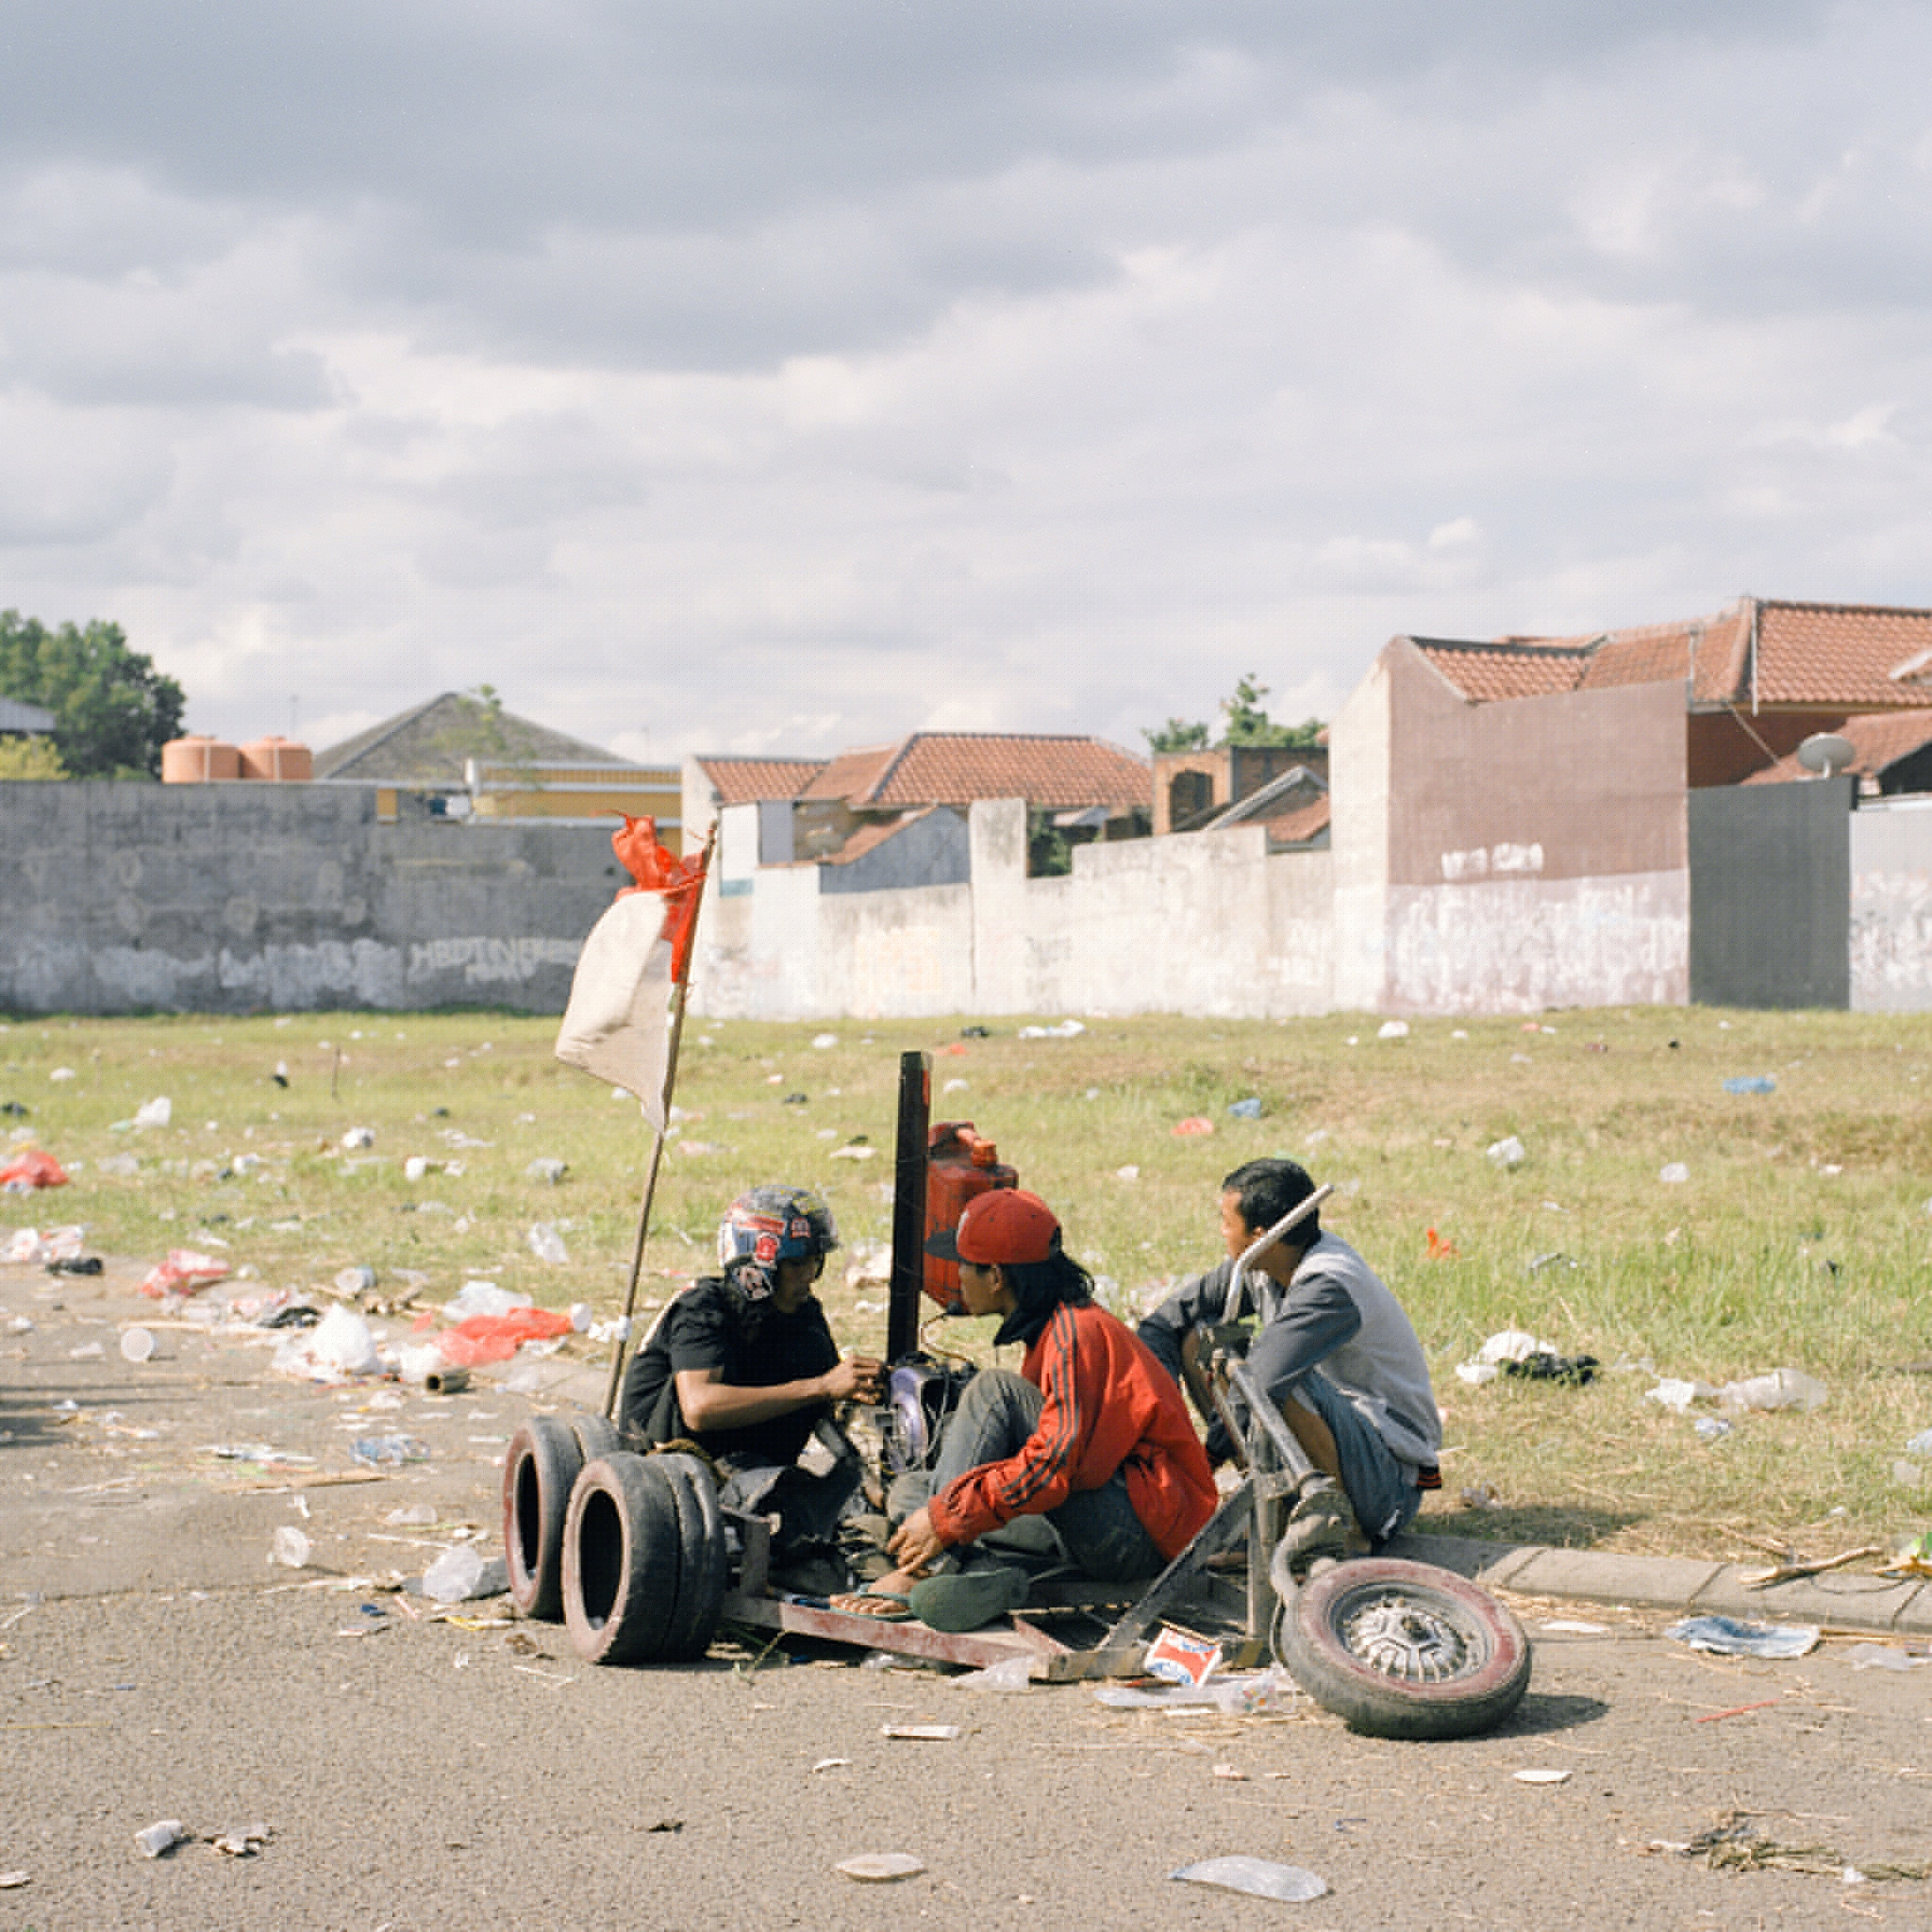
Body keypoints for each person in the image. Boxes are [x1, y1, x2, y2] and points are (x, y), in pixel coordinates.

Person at [871, 1189, 1218, 1608]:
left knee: (992, 1391)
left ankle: (932, 1571)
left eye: (964, 1265)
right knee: (911, 1494)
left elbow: (1050, 1467)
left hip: (1142, 1536)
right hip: (1095, 1516)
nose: (958, 1276)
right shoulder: (1052, 1330)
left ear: (996, 1277)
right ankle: (981, 1577)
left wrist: (946, 1520)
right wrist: (942, 1513)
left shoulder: (1076, 1334)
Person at [1138, 1158, 1441, 1552]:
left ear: (1261, 1236)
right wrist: (1159, 1416)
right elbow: (1164, 1323)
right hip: (1341, 1440)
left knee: (1276, 1377)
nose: (1221, 1232)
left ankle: (1341, 1527)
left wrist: (1201, 1460)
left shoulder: (1329, 1285)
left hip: (1389, 1481)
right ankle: (1273, 1506)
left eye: (1227, 1223)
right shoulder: (1263, 1264)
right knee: (1199, 1340)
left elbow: (1263, 1381)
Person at [620, 1182, 882, 1464]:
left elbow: (823, 1405)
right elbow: (699, 1408)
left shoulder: (803, 1314)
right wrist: (822, 1386)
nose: (809, 1275)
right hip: (665, 1463)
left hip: (750, 1464)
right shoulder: (702, 1308)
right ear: (757, 1267)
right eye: (796, 1264)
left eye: (815, 1261)